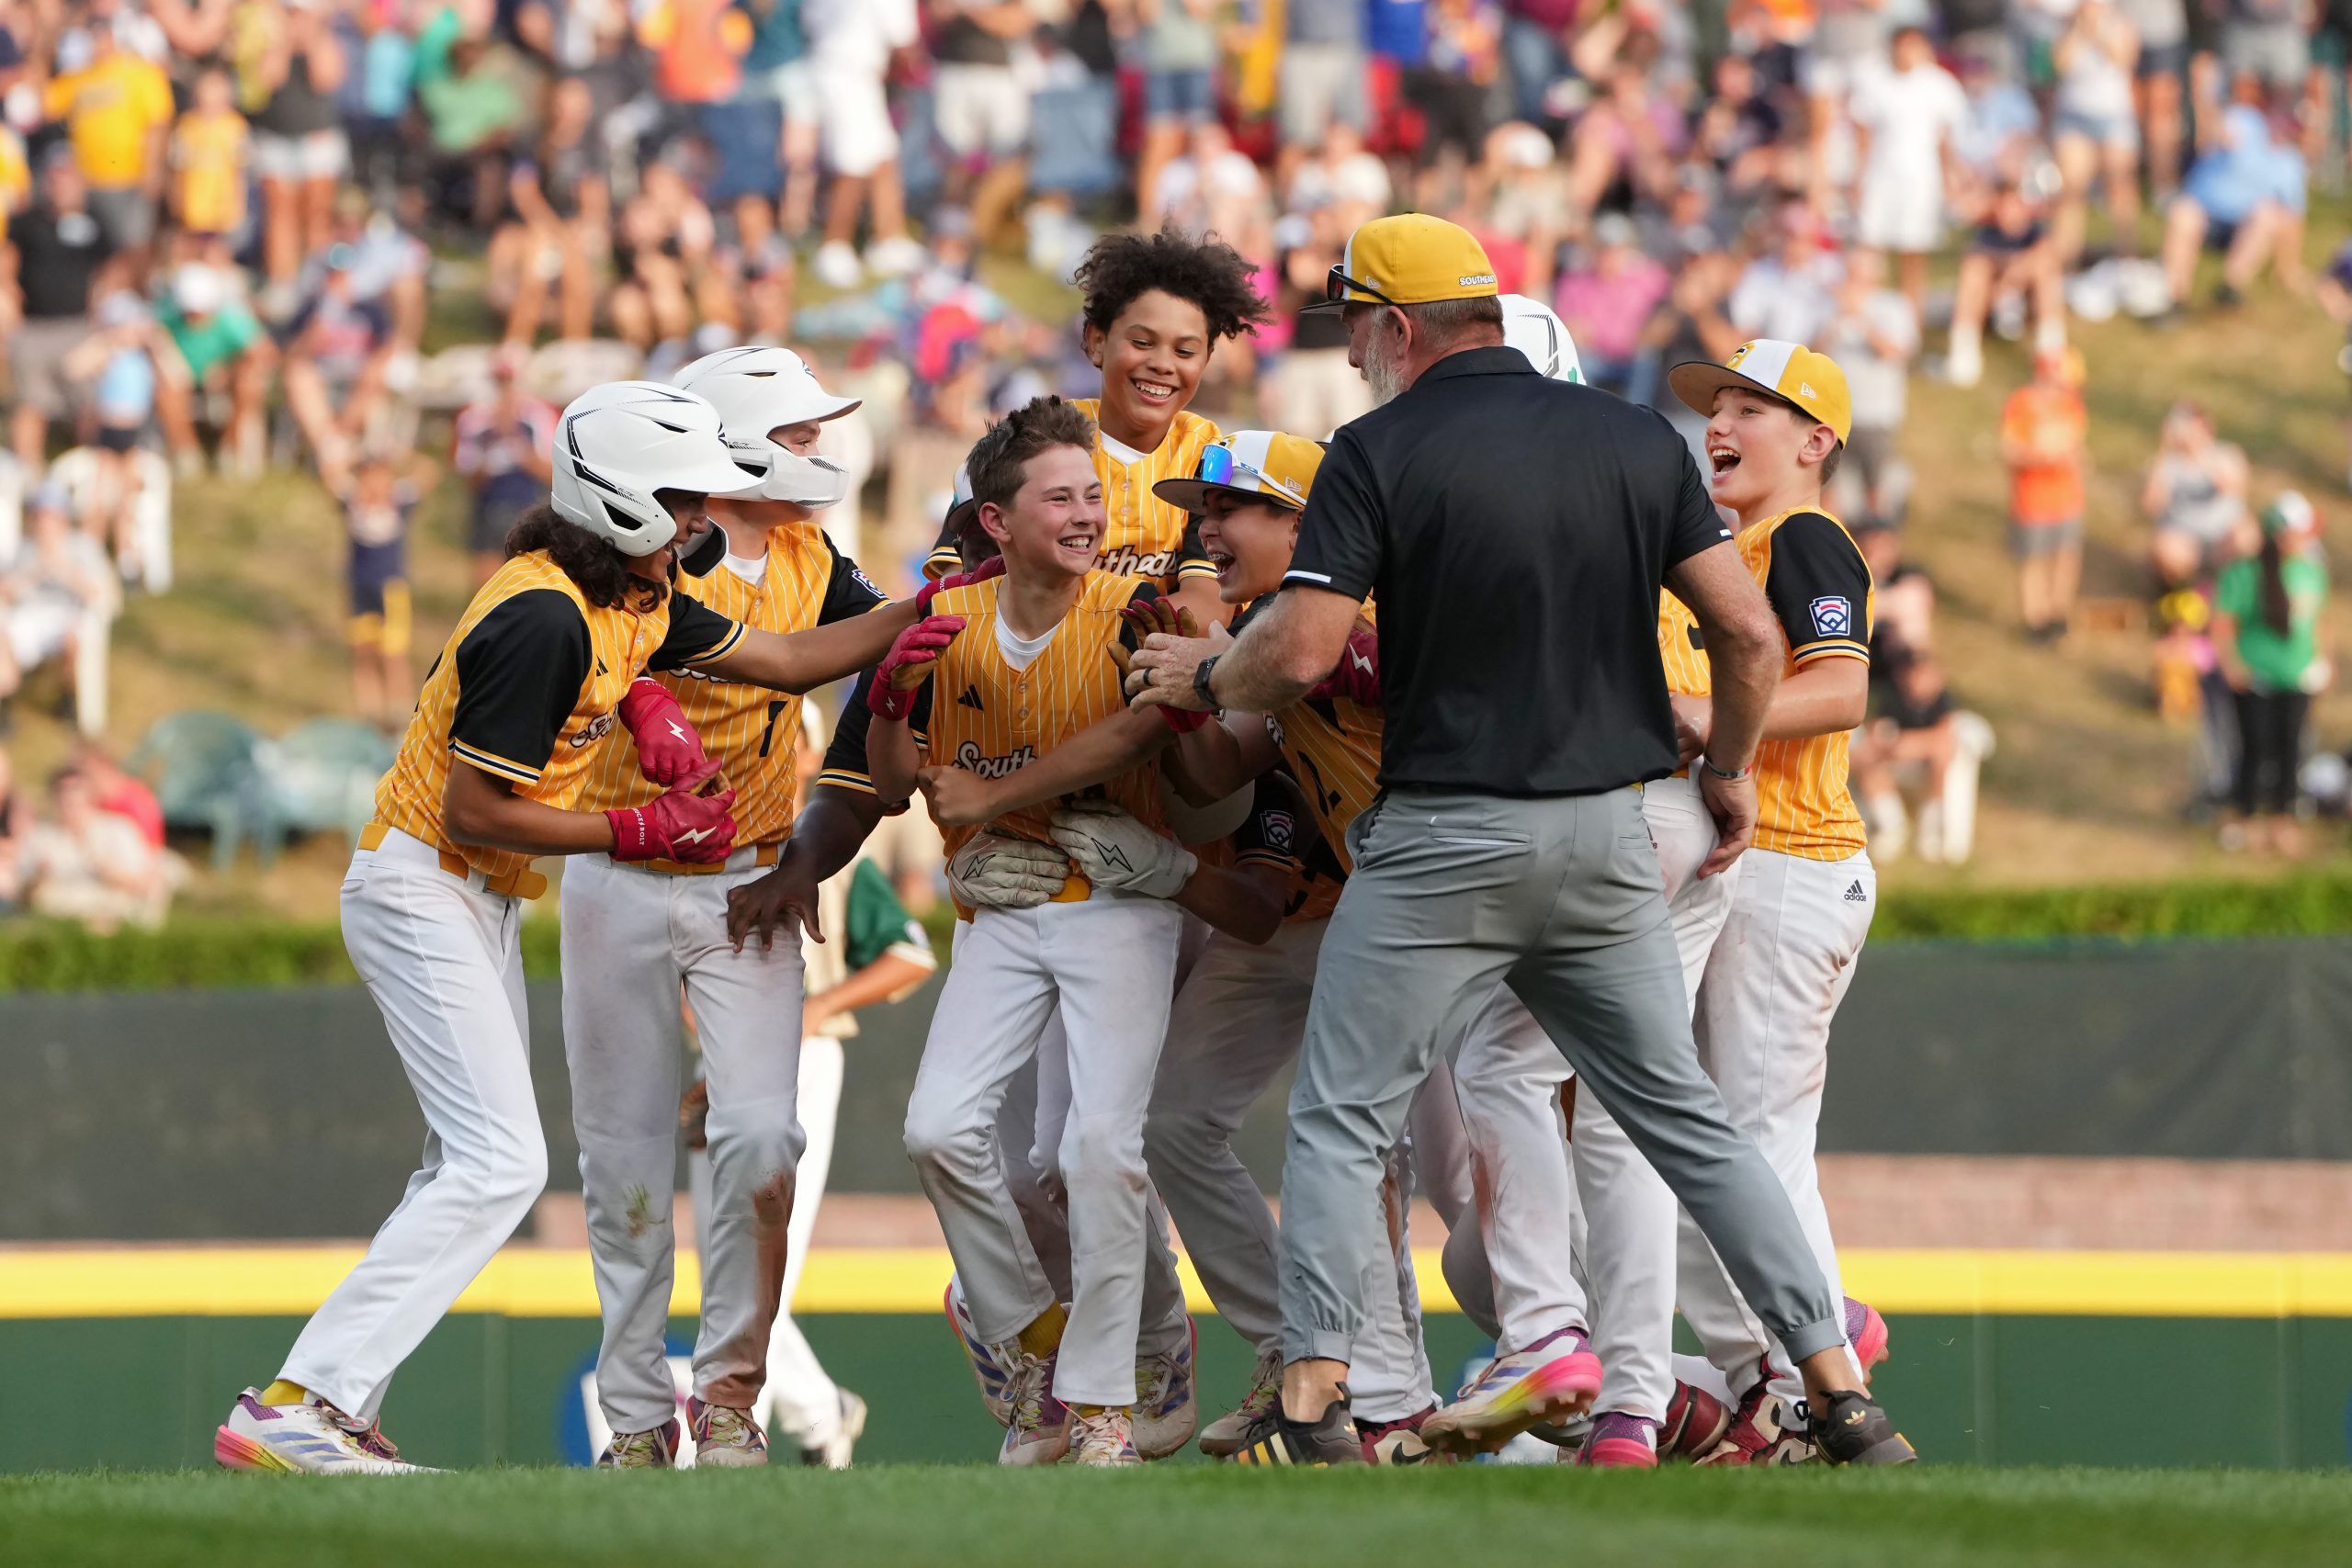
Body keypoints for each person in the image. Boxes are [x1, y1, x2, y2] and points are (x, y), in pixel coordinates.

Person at [1120, 212, 1912, 1468]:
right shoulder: (1631, 438)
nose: (1355, 356)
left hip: (1444, 836)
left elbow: (1310, 648)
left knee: (1337, 1118)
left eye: (1355, 328)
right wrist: (1724, 769)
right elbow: (1752, 643)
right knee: (1686, 1122)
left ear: (1393, 326)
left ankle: (1325, 1400)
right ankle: (1833, 1385)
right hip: (1609, 835)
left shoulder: (1375, 449)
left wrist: (1218, 668)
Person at [212, 380, 920, 1474]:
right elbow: (473, 806)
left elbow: (786, 661)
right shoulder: (543, 609)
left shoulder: (627, 597)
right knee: (501, 1165)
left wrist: (942, 607)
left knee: (465, 1160)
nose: (703, 518)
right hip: (424, 881)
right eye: (687, 497)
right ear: (627, 499)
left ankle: (329, 1404)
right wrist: (635, 826)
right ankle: (298, 1404)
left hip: (473, 894)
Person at [560, 349, 935, 1470]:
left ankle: (731, 1398)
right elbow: (620, 662)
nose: (822, 452)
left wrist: (948, 601)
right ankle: (637, 1421)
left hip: (748, 879)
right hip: (617, 870)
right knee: (622, 1165)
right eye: (804, 434)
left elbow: (886, 655)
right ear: (737, 438)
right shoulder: (655, 551)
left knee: (764, 1133)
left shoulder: (818, 555)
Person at [872, 398, 1194, 1468]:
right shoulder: (947, 618)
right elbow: (892, 787)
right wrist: (885, 709)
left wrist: (991, 798)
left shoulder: (1134, 607)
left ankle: (1101, 1405)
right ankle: (1032, 1337)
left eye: (1093, 493)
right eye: (1058, 496)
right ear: (995, 523)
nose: (1087, 511)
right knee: (937, 1129)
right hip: (1001, 909)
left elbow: (1145, 728)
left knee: (1098, 1148)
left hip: (1118, 905)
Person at [1657, 341, 1888, 1461]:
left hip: (1792, 865)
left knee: (1749, 1142)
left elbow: (1842, 684)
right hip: (1754, 870)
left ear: (1813, 442)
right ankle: (1783, 1374)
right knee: (1700, 1142)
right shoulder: (1722, 548)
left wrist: (1706, 714)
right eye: (1715, 405)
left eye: (1752, 405)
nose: (1719, 422)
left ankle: (1810, 1379)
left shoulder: (1802, 535)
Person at [682, 701, 937, 1469]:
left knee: (760, 1252)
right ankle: (819, 1410)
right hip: (721, 1064)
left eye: (786, 731)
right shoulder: (708, 844)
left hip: (805, 1060)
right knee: (719, 1265)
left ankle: (757, 1421)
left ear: (808, 753)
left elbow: (911, 953)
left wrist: (815, 1010)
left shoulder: (838, 855)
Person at [920, 230, 1268, 628]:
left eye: (1185, 351)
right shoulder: (1028, 442)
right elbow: (959, 587)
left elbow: (1205, 611)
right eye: (1142, 342)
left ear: (1207, 358)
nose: (1162, 364)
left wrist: (1085, 632)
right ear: (1096, 341)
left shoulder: (1211, 457)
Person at [2214, 492, 2329, 854]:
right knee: (2254, 746)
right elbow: (2223, 622)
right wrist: (2231, 664)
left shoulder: (2311, 573)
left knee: (2291, 748)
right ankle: (2244, 817)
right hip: (2256, 677)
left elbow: (2319, 622)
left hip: (2296, 676)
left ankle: (2283, 820)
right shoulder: (2246, 572)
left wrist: (2322, 660)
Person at [4, 153, 117, 478]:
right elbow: (7, 262)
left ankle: (92, 474)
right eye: (55, 178)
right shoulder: (26, 221)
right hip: (34, 326)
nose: (61, 186)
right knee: (31, 403)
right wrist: (9, 302)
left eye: (68, 178)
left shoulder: (95, 221)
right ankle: (30, 473)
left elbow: (110, 268)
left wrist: (100, 309)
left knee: (87, 403)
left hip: (78, 327)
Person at [1847, 27, 1965, 314]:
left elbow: (1946, 138)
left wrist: (1952, 176)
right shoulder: (1875, 82)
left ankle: (1911, 322)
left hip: (1921, 180)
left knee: (1913, 254)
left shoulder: (1939, 84)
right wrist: (1858, 177)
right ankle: (1866, 318)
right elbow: (1863, 134)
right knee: (1871, 252)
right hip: (1881, 177)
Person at [336, 446, 430, 729]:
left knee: (393, 653)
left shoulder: (399, 502)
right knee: (362, 652)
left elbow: (429, 471)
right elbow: (329, 474)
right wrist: (350, 457)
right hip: (359, 585)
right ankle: (368, 714)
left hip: (390, 588)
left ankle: (400, 716)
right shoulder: (352, 502)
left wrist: (401, 454)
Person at [2001, 345, 2090, 639]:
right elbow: (2011, 449)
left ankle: (2058, 611)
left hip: (2067, 496)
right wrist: (2040, 457)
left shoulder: (2071, 404)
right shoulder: (2022, 403)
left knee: (2066, 555)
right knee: (2033, 559)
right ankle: (2035, 618)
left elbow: (2074, 445)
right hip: (2032, 497)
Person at [453, 347, 559, 585]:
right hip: (489, 504)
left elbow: (551, 473)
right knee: (486, 577)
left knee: (528, 576)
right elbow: (469, 478)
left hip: (528, 501)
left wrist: (515, 439)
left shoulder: (538, 415)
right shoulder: (474, 418)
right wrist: (489, 449)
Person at [2142, 400, 2247, 589]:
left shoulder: (2225, 454)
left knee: (2245, 537)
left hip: (2222, 536)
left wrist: (2200, 453)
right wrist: (2164, 448)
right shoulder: (2165, 463)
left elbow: (2233, 487)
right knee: (2164, 549)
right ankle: (2179, 593)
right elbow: (2150, 504)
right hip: (2184, 538)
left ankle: (2232, 593)